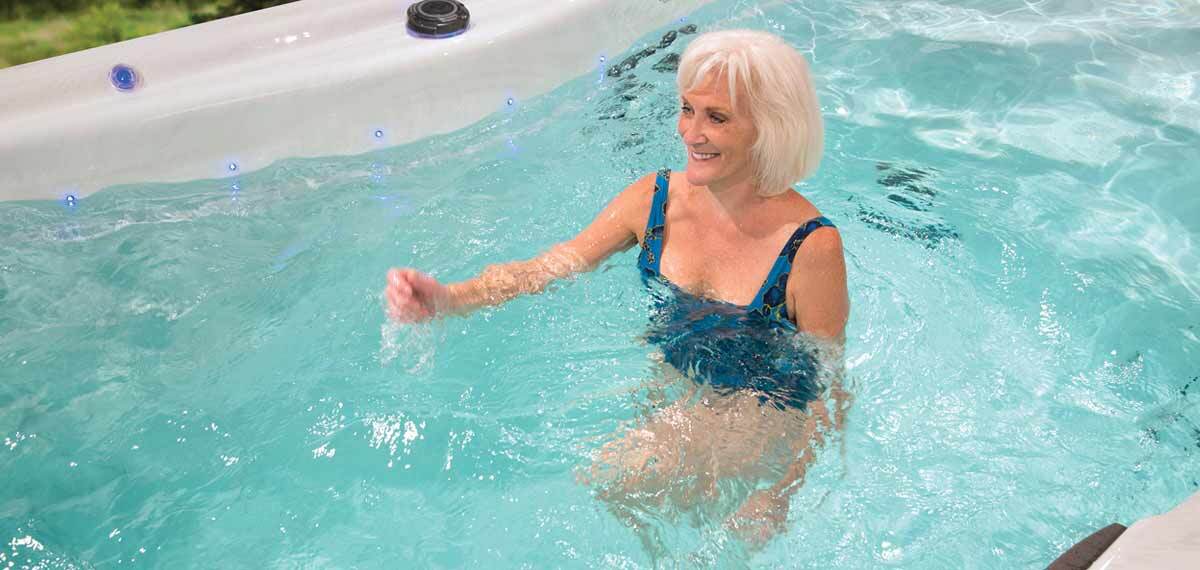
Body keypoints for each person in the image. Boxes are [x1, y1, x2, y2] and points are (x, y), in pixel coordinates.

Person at [385, 29, 849, 546]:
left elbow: (831, 379)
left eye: (716, 117)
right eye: (686, 109)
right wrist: (450, 298)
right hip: (675, 383)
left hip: (757, 410)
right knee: (623, 497)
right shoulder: (655, 198)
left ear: (769, 128)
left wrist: (782, 493)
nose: (690, 133)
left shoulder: (811, 245)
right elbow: (550, 266)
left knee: (621, 483)